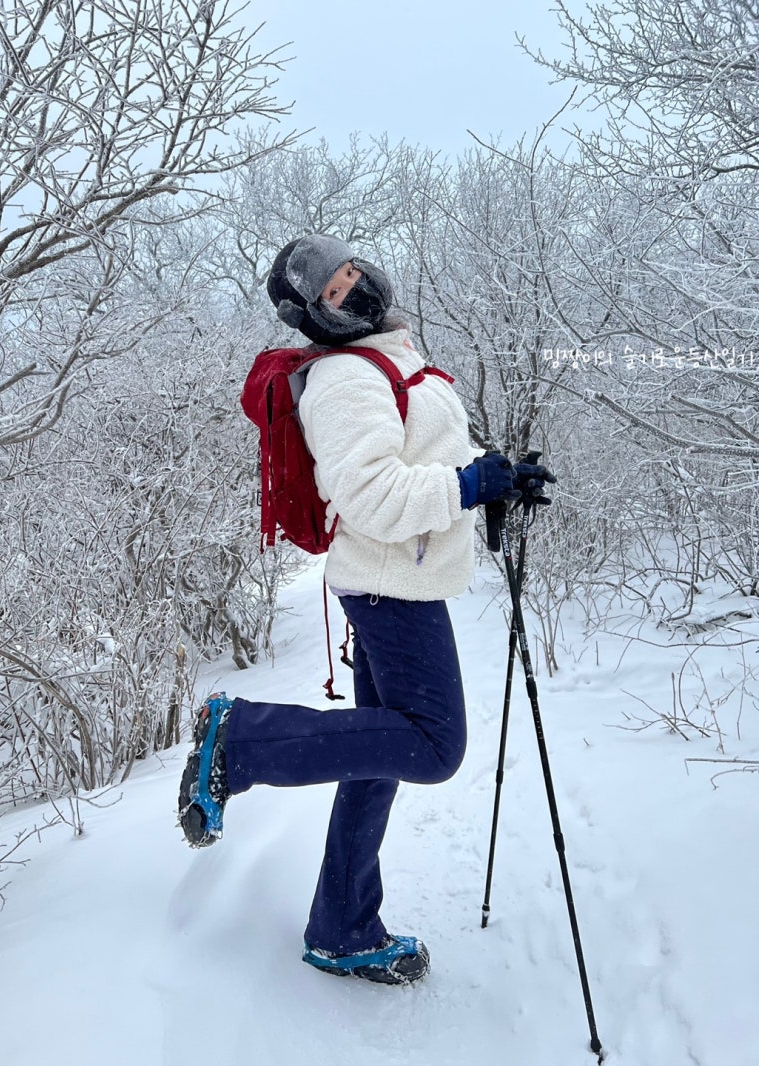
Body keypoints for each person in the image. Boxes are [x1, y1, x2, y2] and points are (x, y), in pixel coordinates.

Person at [177, 233, 551, 985]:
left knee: (377, 754)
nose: (358, 287)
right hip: (389, 582)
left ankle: (342, 927)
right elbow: (371, 495)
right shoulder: (346, 376)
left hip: (400, 576)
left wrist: (495, 475)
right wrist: (467, 488)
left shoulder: (393, 353)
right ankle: (240, 740)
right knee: (433, 746)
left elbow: (427, 453)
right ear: (315, 314)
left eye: (353, 272)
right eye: (337, 290)